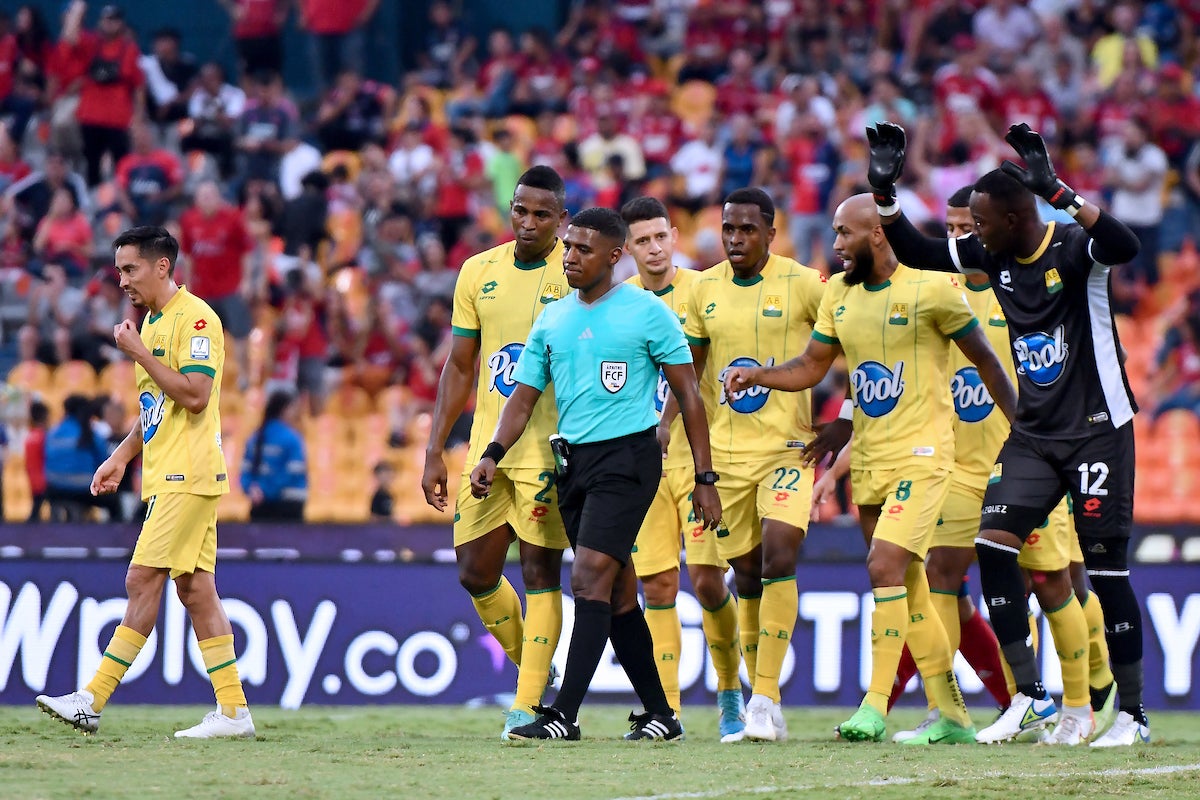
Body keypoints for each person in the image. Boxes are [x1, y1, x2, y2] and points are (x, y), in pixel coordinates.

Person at [864, 121, 1147, 746]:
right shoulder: (995, 257)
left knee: (1104, 575)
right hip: (1036, 433)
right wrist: (885, 193)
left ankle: (1129, 714)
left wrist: (1062, 191)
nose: (971, 233)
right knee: (993, 548)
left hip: (1098, 430)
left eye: (982, 222)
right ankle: (1031, 696)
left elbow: (1125, 245)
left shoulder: (1075, 248)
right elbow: (918, 250)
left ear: (1018, 217)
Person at [723, 193, 1018, 745]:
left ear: (877, 234)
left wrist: (1022, 429)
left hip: (925, 457)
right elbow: (813, 366)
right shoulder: (837, 294)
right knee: (907, 585)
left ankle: (875, 706)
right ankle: (952, 715)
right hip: (874, 458)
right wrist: (759, 376)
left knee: (883, 567)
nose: (835, 245)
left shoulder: (932, 288)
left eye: (844, 234)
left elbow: (985, 359)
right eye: (833, 233)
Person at [469, 207, 721, 741]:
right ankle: (662, 714)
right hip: (574, 464)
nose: (571, 256)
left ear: (614, 256)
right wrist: (492, 451)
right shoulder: (554, 318)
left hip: (629, 459)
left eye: (584, 249)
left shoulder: (648, 312)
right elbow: (523, 397)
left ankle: (563, 715)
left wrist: (704, 478)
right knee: (620, 594)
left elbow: (689, 397)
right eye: (569, 247)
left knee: (586, 579)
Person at [36, 226, 253, 739]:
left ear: (162, 266)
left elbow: (196, 395)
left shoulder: (197, 318)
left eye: (130, 269)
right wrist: (120, 456)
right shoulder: (151, 324)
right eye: (118, 271)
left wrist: (137, 354)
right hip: (167, 472)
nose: (122, 281)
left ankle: (91, 699)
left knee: (141, 579)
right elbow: (156, 409)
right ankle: (233, 712)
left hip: (188, 473)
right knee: (196, 589)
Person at [668, 187, 827, 742]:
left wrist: (849, 417)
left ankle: (764, 699)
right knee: (732, 579)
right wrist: (668, 437)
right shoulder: (703, 289)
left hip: (788, 451)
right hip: (724, 461)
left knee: (780, 554)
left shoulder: (806, 283)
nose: (735, 239)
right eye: (728, 229)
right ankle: (746, 693)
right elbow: (687, 381)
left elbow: (851, 344)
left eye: (747, 230)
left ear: (770, 233)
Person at [420, 166, 571, 740]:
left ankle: (529, 701)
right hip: (488, 446)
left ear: (561, 220)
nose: (527, 223)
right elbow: (461, 365)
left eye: (541, 215)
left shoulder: (576, 269)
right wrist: (436, 447)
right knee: (475, 571)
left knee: (540, 571)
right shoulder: (477, 271)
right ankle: (535, 664)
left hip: (550, 448)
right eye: (519, 211)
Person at [619, 196, 745, 742]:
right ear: (627, 248)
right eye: (641, 241)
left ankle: (730, 693)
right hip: (640, 460)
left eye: (659, 238)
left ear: (674, 235)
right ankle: (664, 711)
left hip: (699, 458)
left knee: (710, 581)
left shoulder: (705, 290)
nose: (653, 249)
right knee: (658, 582)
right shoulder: (616, 302)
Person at [241, 390, 307, 522]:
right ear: (284, 410)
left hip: (260, 506)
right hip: (288, 507)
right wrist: (267, 491)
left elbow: (245, 472)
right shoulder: (292, 439)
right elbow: (292, 472)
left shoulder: (255, 437)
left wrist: (254, 490)